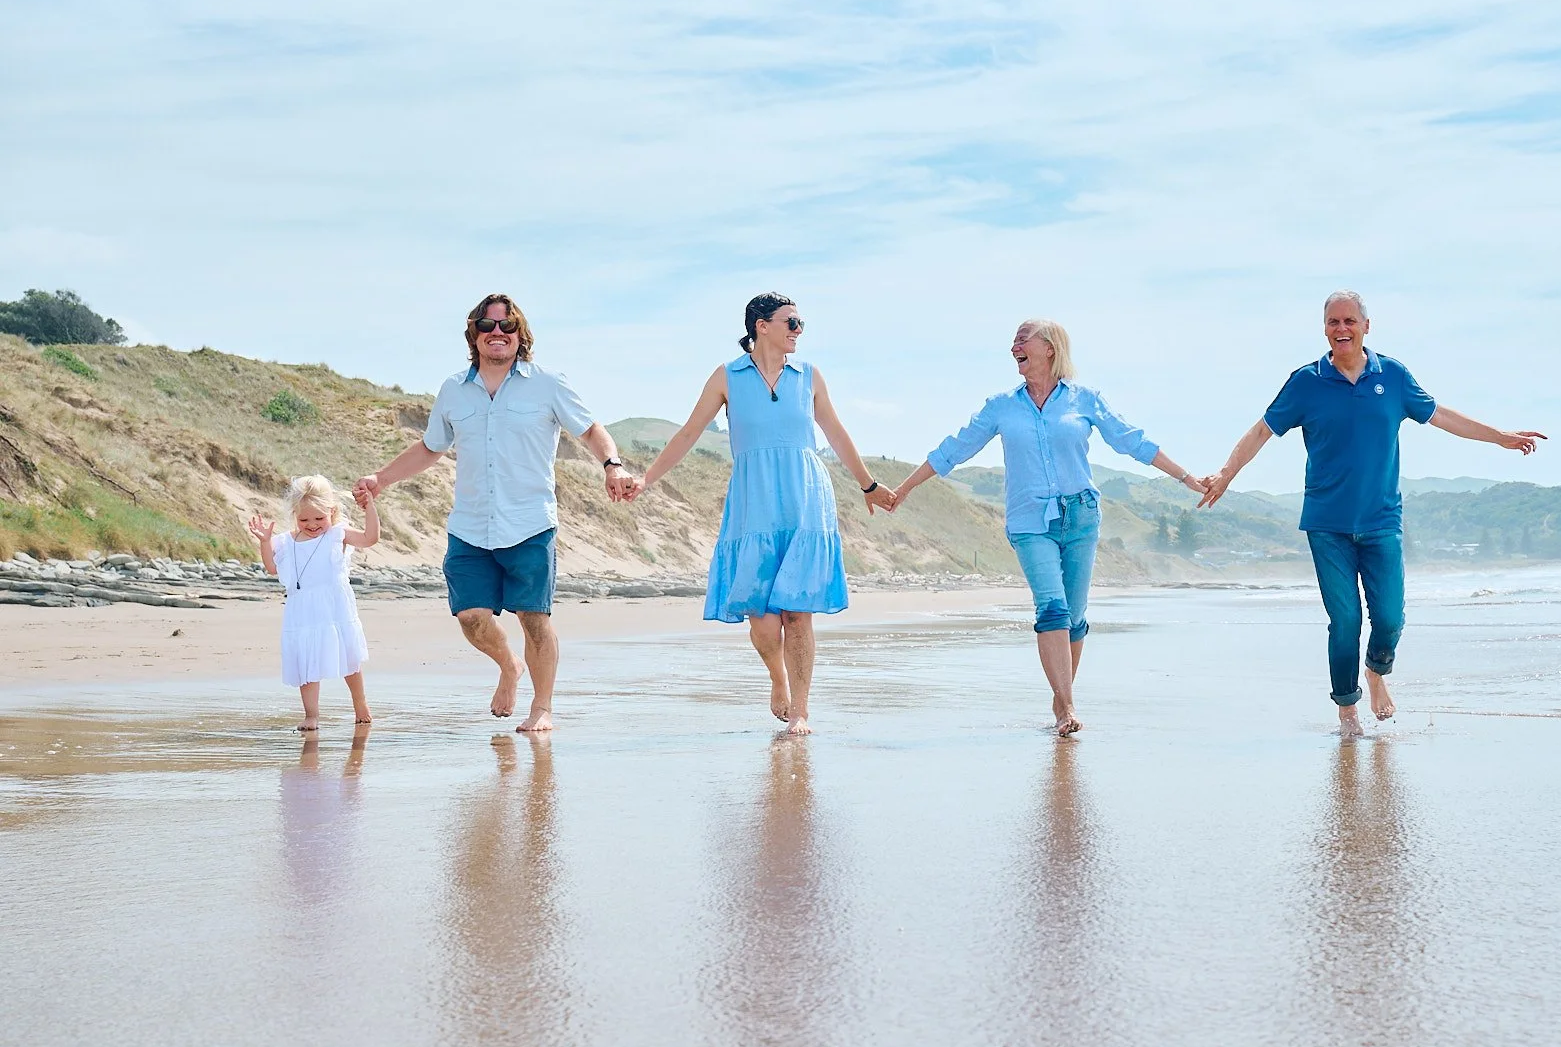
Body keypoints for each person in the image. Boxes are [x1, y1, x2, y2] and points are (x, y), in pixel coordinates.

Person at [1200, 291, 1544, 735]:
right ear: (1324, 328)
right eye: (1332, 322)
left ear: (1366, 325)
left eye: (1348, 321)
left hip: (1382, 522)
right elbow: (1261, 430)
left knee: (1390, 619)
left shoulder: (1393, 376)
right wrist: (1226, 474)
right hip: (1327, 524)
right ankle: (1347, 708)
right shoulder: (1306, 381)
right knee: (1345, 620)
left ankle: (1376, 672)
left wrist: (1499, 436)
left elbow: (1440, 416)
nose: (1340, 329)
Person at [885, 319, 1210, 736]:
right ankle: (1068, 707)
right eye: (1014, 340)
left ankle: (1059, 699)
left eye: (1023, 338)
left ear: (1050, 347)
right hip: (1028, 521)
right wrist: (905, 488)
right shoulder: (1001, 406)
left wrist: (1187, 478)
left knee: (1074, 619)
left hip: (1080, 516)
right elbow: (955, 448)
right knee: (1052, 609)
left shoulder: (1085, 400)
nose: (1014, 345)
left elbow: (1133, 441)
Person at [355, 294, 636, 734]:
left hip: (529, 523)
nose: (497, 333)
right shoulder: (453, 389)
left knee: (534, 619)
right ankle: (509, 666)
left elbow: (589, 429)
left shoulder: (548, 383)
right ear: (474, 334)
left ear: (520, 333)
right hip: (470, 524)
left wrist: (611, 465)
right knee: (470, 617)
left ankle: (542, 708)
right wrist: (382, 479)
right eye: (487, 326)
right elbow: (431, 446)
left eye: (506, 326)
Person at [632, 293, 892, 736]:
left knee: (797, 613)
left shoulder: (809, 377)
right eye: (791, 322)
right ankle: (778, 678)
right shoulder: (727, 377)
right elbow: (689, 432)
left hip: (805, 501)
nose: (798, 331)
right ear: (761, 326)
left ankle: (801, 710)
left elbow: (835, 431)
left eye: (800, 324)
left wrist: (867, 484)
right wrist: (647, 479)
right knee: (763, 619)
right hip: (753, 506)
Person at [249, 474, 379, 732]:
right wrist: (265, 542)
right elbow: (272, 568)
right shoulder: (286, 541)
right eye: (304, 519)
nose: (312, 524)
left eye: (319, 518)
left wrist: (371, 508)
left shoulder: (337, 535)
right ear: (295, 515)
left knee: (348, 658)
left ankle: (360, 704)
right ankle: (311, 715)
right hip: (302, 610)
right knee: (306, 664)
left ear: (332, 511)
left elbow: (370, 538)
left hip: (334, 607)